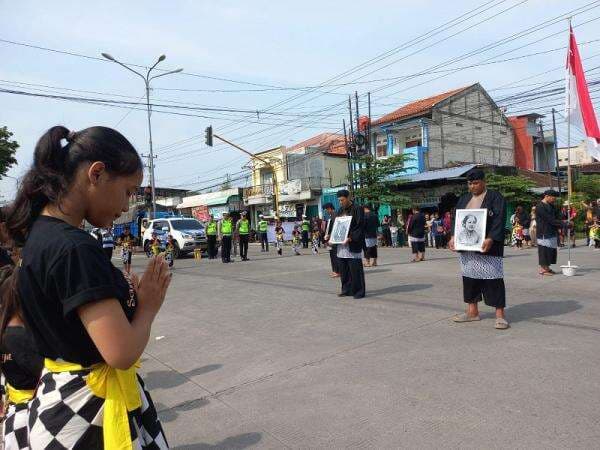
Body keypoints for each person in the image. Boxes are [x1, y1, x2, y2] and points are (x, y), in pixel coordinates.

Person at [3, 125, 169, 448]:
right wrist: (148, 305)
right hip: (89, 415)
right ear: (96, 174)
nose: (126, 205)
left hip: (55, 402)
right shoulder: (74, 248)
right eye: (128, 191)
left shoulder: (40, 235)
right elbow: (120, 352)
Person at [449, 169, 509, 330]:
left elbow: (499, 219)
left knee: (494, 280)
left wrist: (491, 238)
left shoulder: (495, 197)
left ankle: (500, 315)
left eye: (476, 183)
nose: (472, 186)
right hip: (467, 248)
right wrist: (453, 237)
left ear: (484, 182)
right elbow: (456, 219)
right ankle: (472, 312)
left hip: (488, 247)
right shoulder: (464, 199)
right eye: (470, 183)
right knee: (469, 280)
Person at [0, 265, 44, 450]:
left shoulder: (6, 330)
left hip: (14, 411)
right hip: (30, 414)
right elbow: (44, 373)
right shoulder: (21, 337)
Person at [335, 190, 366, 299]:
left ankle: (359, 291)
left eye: (342, 200)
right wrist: (331, 236)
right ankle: (346, 289)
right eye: (339, 200)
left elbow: (360, 226)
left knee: (355, 270)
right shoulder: (339, 210)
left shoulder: (357, 209)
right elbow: (337, 225)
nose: (340, 202)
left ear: (348, 198)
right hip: (341, 244)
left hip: (352, 243)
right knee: (344, 270)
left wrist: (351, 237)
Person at [536, 190, 568, 275]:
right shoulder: (540, 206)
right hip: (544, 231)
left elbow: (557, 216)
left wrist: (565, 220)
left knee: (551, 251)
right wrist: (563, 224)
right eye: (553, 198)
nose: (554, 200)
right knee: (544, 250)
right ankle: (543, 269)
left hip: (552, 230)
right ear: (547, 196)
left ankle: (547, 267)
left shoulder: (551, 205)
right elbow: (549, 219)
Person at [323, 203, 340, 277]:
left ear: (329, 208)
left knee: (335, 255)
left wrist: (330, 235)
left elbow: (335, 227)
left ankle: (337, 271)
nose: (326, 211)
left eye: (326, 209)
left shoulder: (335, 214)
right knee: (332, 255)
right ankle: (335, 270)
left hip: (334, 239)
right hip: (330, 238)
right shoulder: (331, 215)